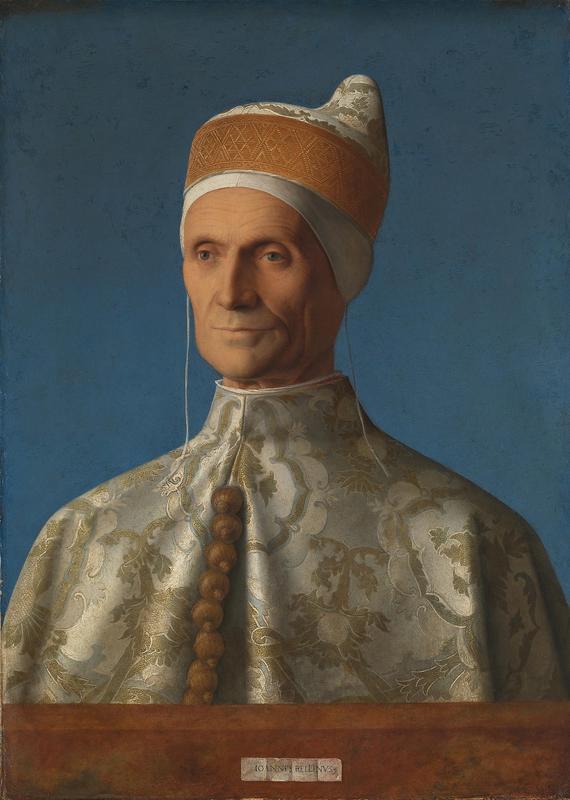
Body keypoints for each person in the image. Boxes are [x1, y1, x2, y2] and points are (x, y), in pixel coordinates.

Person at [3, 75, 568, 705]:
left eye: (272, 255)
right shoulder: (79, 536)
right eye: (207, 253)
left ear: (343, 274)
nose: (231, 293)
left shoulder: (474, 542)